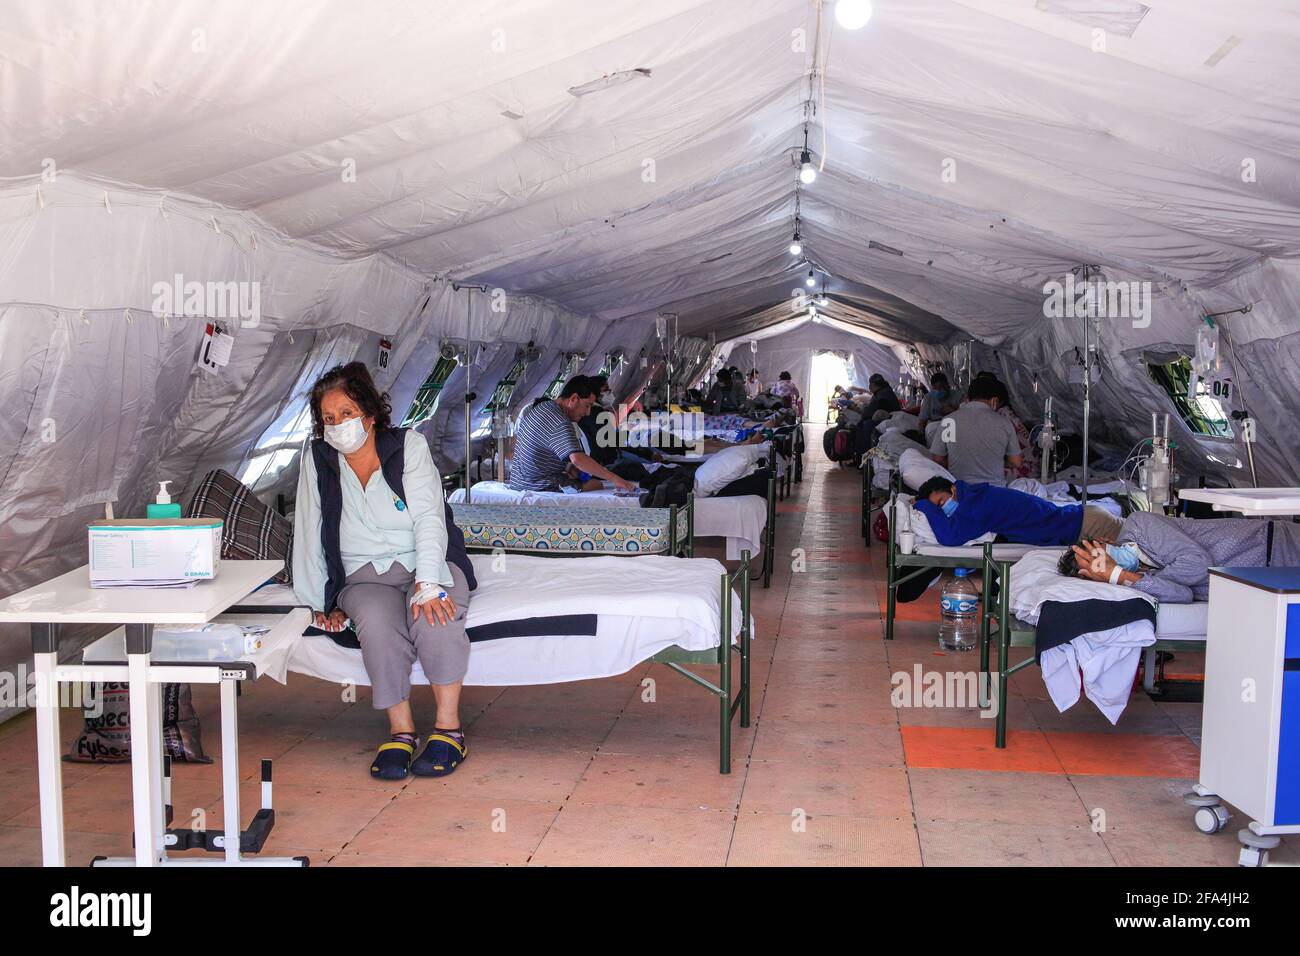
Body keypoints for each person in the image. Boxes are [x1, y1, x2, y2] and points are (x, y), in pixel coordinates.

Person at [292, 362, 477, 780]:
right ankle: (401, 731)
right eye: (329, 419)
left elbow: (430, 518)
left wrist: (428, 583)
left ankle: (449, 729)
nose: (338, 425)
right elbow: (308, 528)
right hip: (363, 576)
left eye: (347, 414)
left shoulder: (406, 447)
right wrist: (316, 602)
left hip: (427, 562)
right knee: (375, 624)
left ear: (371, 415)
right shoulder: (318, 460)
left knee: (435, 617)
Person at [1060, 512, 1300, 603]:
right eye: (1100, 568)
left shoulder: (1139, 526)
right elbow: (1183, 594)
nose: (1109, 563)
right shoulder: (1131, 582)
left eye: (1100, 555)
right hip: (1267, 584)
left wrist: (1126, 574)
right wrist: (1120, 576)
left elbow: (1198, 564)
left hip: (1276, 546)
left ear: (1106, 541)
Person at [509, 376, 637, 493]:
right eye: (587, 406)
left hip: (519, 482)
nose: (588, 413)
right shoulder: (560, 421)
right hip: (538, 485)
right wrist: (616, 479)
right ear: (574, 399)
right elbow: (578, 458)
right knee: (596, 484)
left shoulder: (542, 407)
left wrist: (570, 467)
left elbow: (550, 453)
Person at [915, 476, 1122, 547]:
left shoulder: (976, 506)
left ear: (952, 489)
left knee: (1148, 552)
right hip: (1082, 521)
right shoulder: (974, 496)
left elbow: (951, 537)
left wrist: (924, 506)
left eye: (942, 501)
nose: (943, 508)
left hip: (1088, 525)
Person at [928, 376, 1022, 483]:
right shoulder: (1005, 423)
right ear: (994, 401)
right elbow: (1016, 462)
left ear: (968, 397)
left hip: (960, 491)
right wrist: (995, 459)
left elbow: (937, 459)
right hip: (994, 491)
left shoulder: (949, 421)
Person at [987, 379, 1039, 480]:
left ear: (995, 401)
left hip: (1021, 468)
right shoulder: (1006, 413)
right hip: (1029, 464)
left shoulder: (1002, 416)